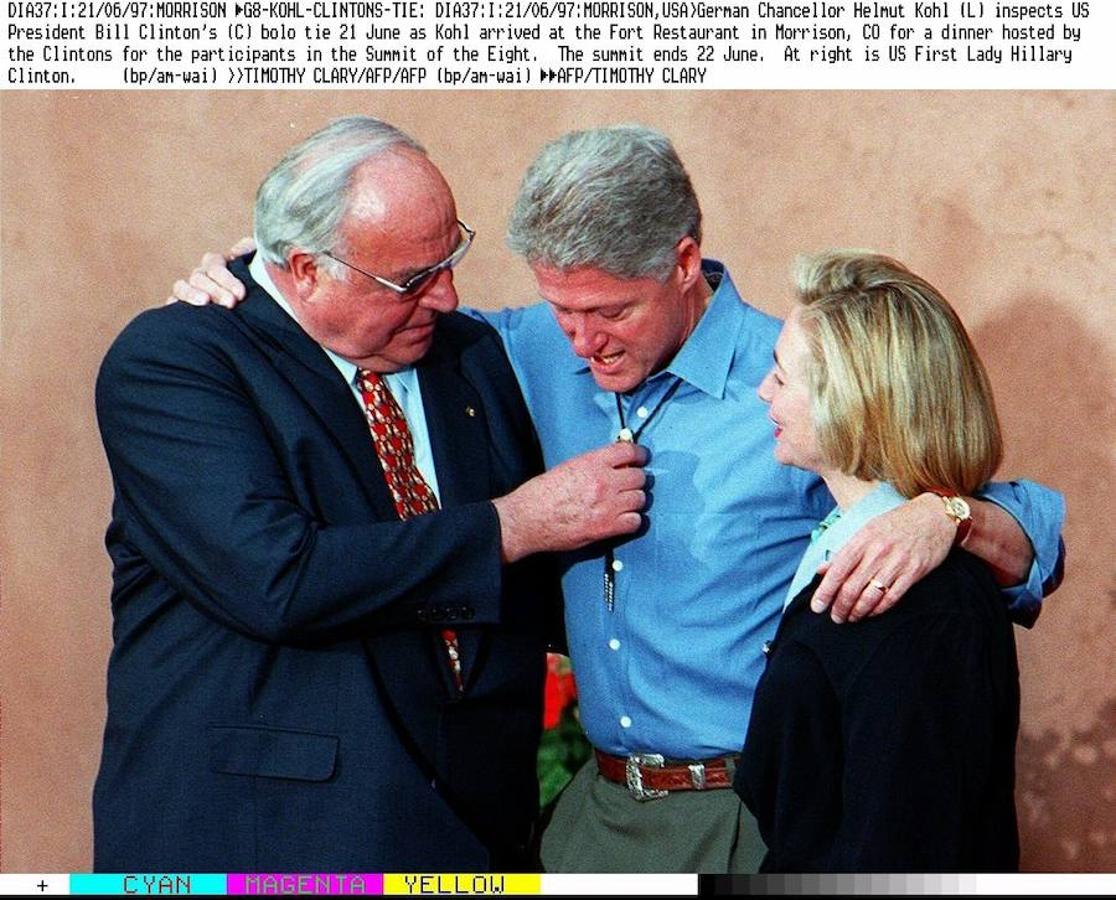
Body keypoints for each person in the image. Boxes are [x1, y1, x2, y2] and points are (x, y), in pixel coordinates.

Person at [172, 124, 1064, 872]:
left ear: (683, 261)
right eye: (560, 308)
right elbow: (346, 293)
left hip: (747, 815)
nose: (583, 341)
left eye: (610, 311)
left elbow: (1028, 523)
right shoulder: (509, 355)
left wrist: (950, 514)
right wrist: (248, 278)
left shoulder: (802, 379)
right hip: (590, 818)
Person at [93, 116, 649, 873]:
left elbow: (659, 301)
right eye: (412, 280)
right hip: (267, 838)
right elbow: (277, 579)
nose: (448, 297)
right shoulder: (178, 361)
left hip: (471, 831)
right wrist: (511, 526)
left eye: (450, 259)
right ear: (306, 270)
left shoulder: (471, 355)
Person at [734, 251, 1024, 872]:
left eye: (782, 377)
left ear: (853, 402)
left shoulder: (925, 608)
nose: (764, 390)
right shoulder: (849, 546)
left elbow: (902, 851)